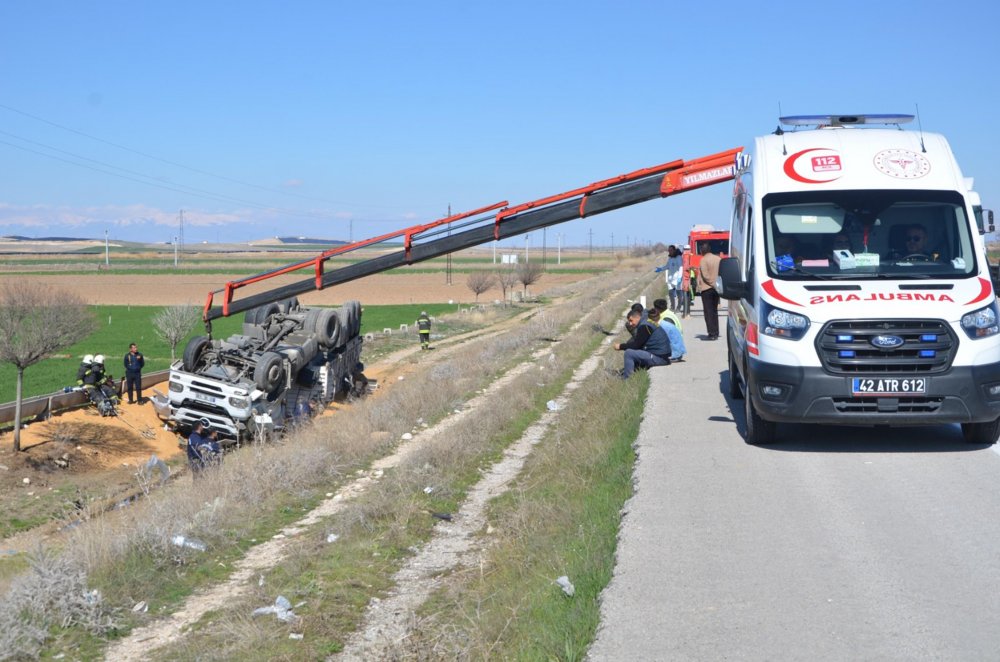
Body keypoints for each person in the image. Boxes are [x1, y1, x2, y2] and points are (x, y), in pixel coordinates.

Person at [614, 308, 671, 378]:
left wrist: (620, 346)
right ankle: (623, 373)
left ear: (637, 317)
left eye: (631, 320)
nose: (630, 323)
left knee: (629, 353)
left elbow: (636, 346)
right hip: (662, 357)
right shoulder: (647, 322)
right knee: (637, 352)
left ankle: (626, 378)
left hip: (659, 358)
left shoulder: (644, 326)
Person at [698, 243, 721, 340]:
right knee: (714, 311)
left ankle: (712, 333)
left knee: (708, 312)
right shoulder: (718, 259)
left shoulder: (703, 260)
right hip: (716, 289)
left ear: (702, 250)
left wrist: (712, 284)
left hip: (707, 288)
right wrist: (716, 285)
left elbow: (705, 275)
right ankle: (716, 331)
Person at [654, 245, 684, 311]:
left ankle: (678, 307)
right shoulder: (670, 258)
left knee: (679, 294)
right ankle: (672, 307)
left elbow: (681, 268)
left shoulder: (678, 257)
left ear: (674, 250)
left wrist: (679, 277)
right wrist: (661, 269)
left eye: (671, 250)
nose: (669, 251)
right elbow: (667, 266)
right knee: (670, 293)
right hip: (670, 279)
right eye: (669, 250)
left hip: (677, 279)